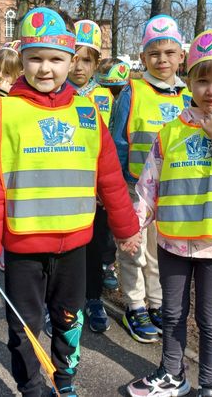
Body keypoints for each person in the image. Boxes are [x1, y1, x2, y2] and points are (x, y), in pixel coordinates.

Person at [0, 7, 141, 397]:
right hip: (23, 249)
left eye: (55, 59)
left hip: (74, 248)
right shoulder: (7, 112)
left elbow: (110, 177)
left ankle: (64, 380)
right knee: (24, 325)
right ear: (22, 60)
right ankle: (32, 387)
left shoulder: (87, 112)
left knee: (69, 320)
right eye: (35, 58)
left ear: (70, 61)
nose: (45, 68)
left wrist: (126, 228)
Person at [126, 30, 212, 397]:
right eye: (203, 80)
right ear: (190, 82)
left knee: (210, 319)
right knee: (171, 314)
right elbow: (148, 186)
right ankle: (172, 374)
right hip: (172, 240)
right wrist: (132, 227)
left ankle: (210, 385)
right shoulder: (170, 131)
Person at [111, 14, 190, 343]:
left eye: (170, 53)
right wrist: (112, 187)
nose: (162, 60)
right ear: (142, 58)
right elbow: (117, 140)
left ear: (181, 56)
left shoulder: (189, 96)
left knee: (161, 249)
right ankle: (135, 305)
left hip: (171, 190)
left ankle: (156, 302)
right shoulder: (132, 91)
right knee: (132, 248)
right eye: (154, 54)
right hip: (134, 187)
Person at [66, 19, 117, 333]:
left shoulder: (106, 98)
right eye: (73, 58)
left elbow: (110, 142)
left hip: (95, 186)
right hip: (64, 185)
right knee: (66, 246)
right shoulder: (56, 94)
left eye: (86, 60)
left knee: (96, 241)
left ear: (97, 63)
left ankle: (94, 297)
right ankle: (63, 303)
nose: (78, 67)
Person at [94, 57, 132, 291]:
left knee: (108, 223)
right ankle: (99, 263)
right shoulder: (95, 95)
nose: (113, 93)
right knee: (99, 222)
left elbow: (120, 139)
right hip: (96, 164)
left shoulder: (125, 99)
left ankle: (107, 263)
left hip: (113, 167)